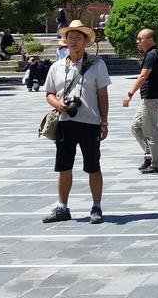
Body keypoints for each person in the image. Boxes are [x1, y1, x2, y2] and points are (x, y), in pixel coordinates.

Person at [42, 20, 111, 225]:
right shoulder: (56, 66)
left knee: (93, 166)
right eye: (70, 37)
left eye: (77, 37)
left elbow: (103, 95)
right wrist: (59, 105)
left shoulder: (97, 65)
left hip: (89, 122)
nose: (73, 41)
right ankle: (62, 207)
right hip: (64, 122)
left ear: (85, 41)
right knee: (63, 166)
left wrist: (104, 122)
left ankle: (96, 206)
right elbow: (49, 93)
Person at [123, 28, 158, 174]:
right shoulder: (153, 54)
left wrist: (129, 94)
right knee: (136, 126)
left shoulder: (152, 55)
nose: (137, 42)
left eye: (140, 39)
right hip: (149, 98)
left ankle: (157, 163)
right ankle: (150, 156)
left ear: (150, 39)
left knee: (151, 131)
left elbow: (142, 77)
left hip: (152, 98)